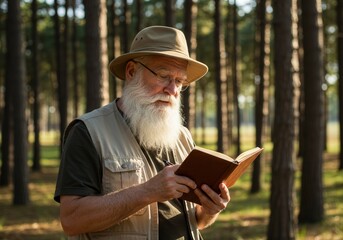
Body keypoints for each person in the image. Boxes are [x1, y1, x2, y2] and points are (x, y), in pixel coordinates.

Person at [54, 25, 230, 240]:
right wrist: (147, 192)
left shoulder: (181, 135)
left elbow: (196, 222)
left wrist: (209, 210)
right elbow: (72, 220)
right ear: (131, 71)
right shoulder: (88, 132)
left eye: (179, 81)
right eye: (164, 76)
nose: (172, 90)